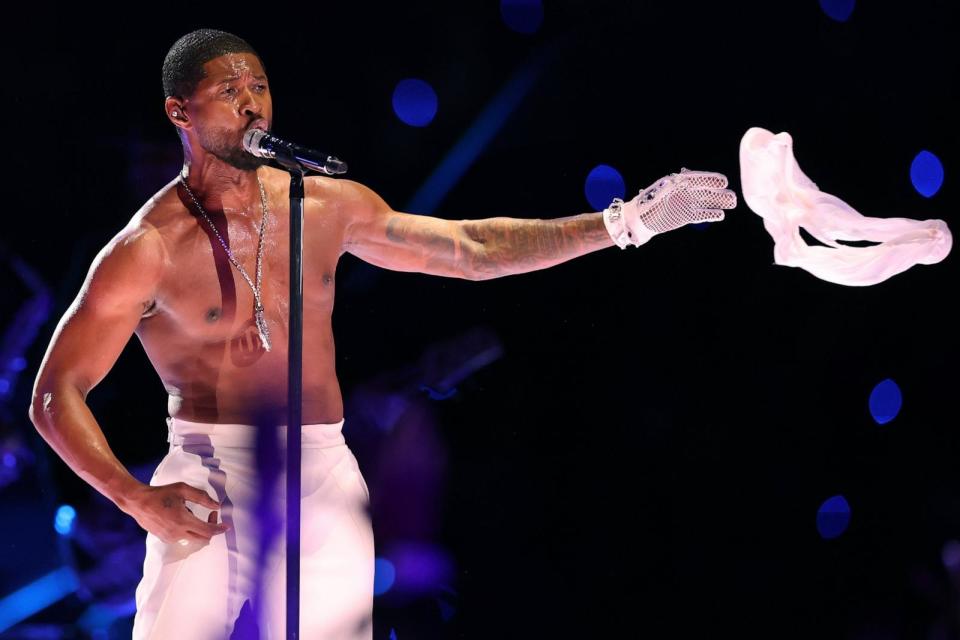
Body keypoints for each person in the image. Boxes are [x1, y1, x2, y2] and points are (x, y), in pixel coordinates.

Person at [28, 29, 736, 640]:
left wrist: (623, 223)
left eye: (261, 87)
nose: (253, 103)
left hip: (322, 469)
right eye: (229, 89)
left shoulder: (325, 206)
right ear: (180, 111)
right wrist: (136, 497)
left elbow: (470, 248)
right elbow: (56, 392)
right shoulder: (146, 245)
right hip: (208, 471)